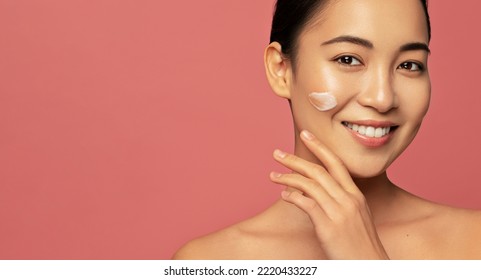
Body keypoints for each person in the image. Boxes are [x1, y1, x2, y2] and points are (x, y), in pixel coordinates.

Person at [173, 0, 481, 259]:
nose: (382, 98)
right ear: (281, 70)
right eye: (348, 59)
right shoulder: (210, 261)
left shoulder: (473, 243)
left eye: (409, 65)